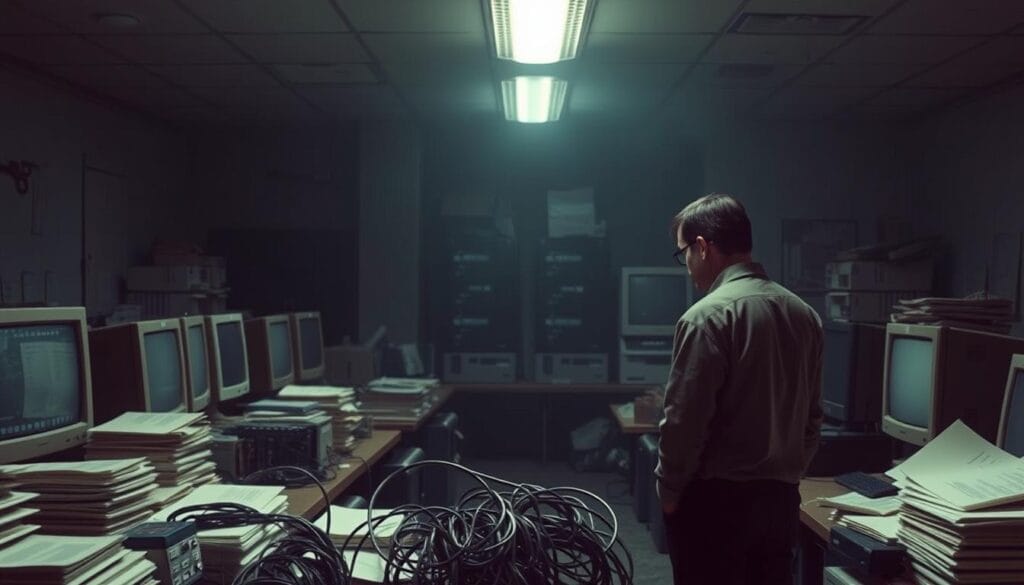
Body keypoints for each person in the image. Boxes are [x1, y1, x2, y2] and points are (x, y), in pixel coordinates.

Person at [656, 193, 823, 585]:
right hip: (781, 502)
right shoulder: (805, 314)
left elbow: (684, 423)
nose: (688, 267)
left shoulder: (706, 317)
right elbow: (814, 418)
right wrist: (786, 473)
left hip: (716, 504)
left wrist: (669, 491)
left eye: (684, 255)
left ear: (702, 247)